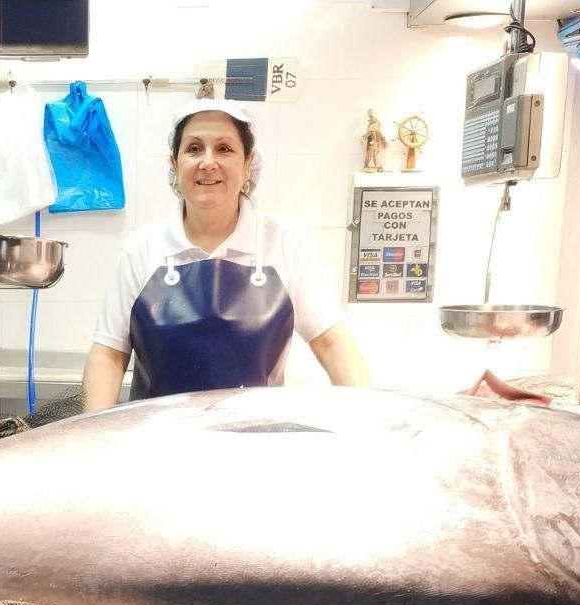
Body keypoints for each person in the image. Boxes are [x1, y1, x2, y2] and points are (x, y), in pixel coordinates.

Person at [83, 98, 369, 411]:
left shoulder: (285, 242)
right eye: (193, 148)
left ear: (248, 163)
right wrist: (89, 438)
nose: (208, 162)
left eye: (224, 148)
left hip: (255, 443)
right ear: (174, 164)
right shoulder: (142, 249)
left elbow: (331, 342)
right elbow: (109, 354)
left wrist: (369, 420)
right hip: (157, 446)